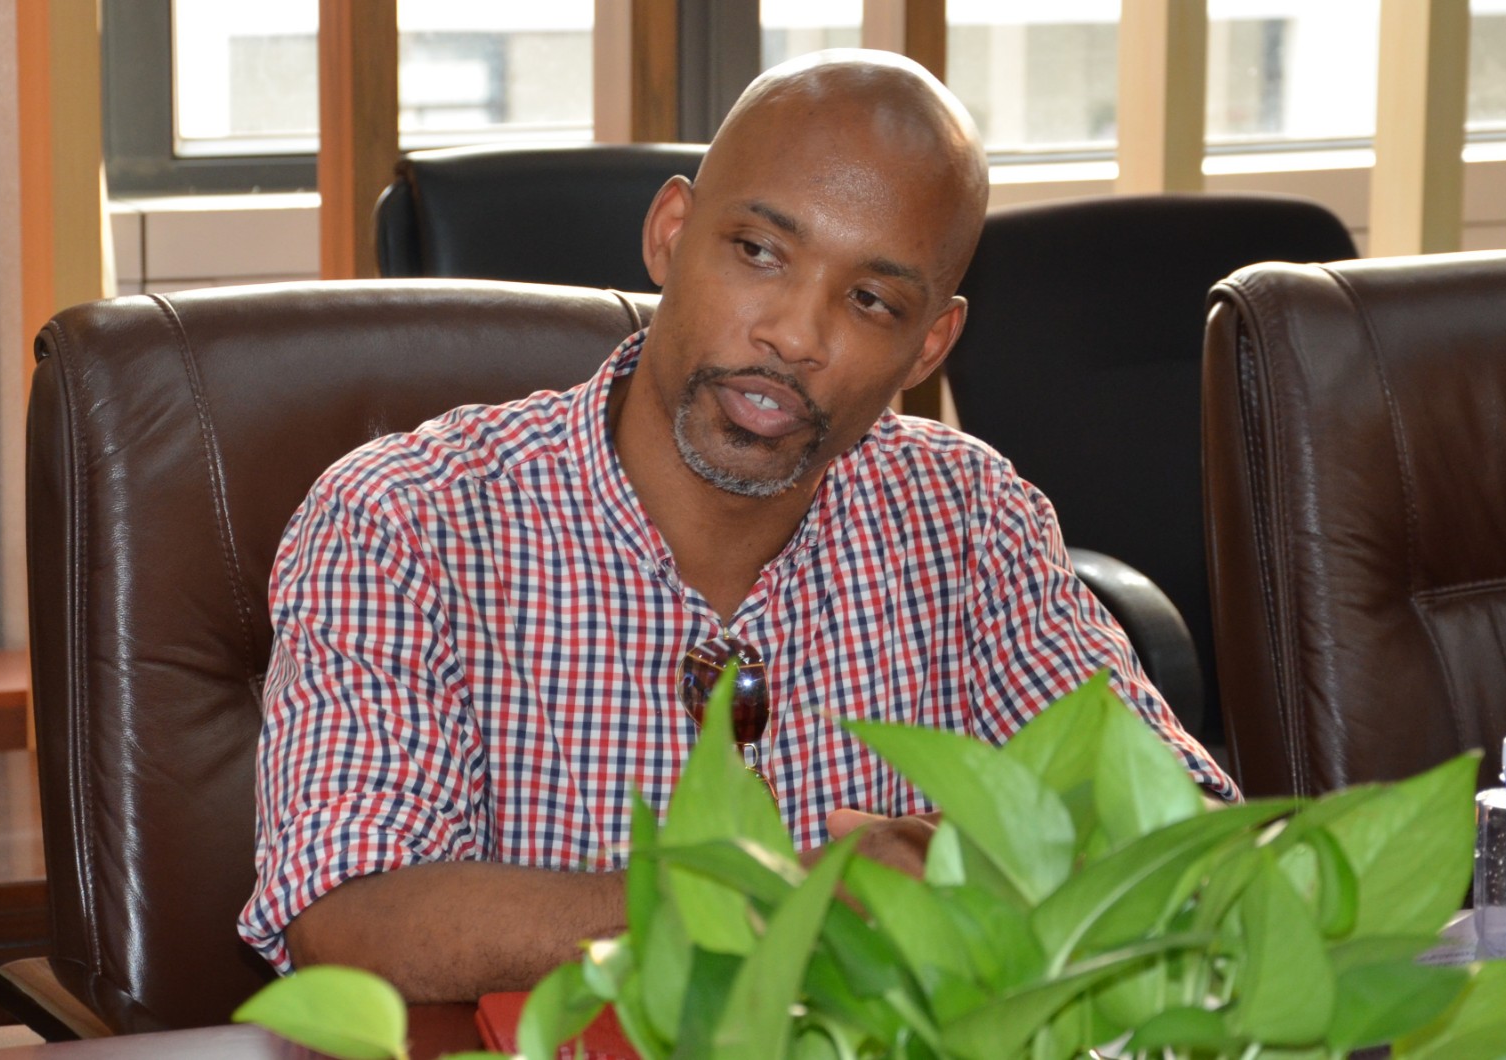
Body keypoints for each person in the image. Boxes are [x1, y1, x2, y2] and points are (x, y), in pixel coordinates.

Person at [241, 49, 1237, 1002]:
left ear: (929, 346)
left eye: (869, 300)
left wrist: (1007, 864)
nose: (794, 335)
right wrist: (786, 900)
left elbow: (1184, 829)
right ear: (671, 233)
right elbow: (349, 913)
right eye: (758, 252)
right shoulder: (406, 519)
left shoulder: (968, 517)